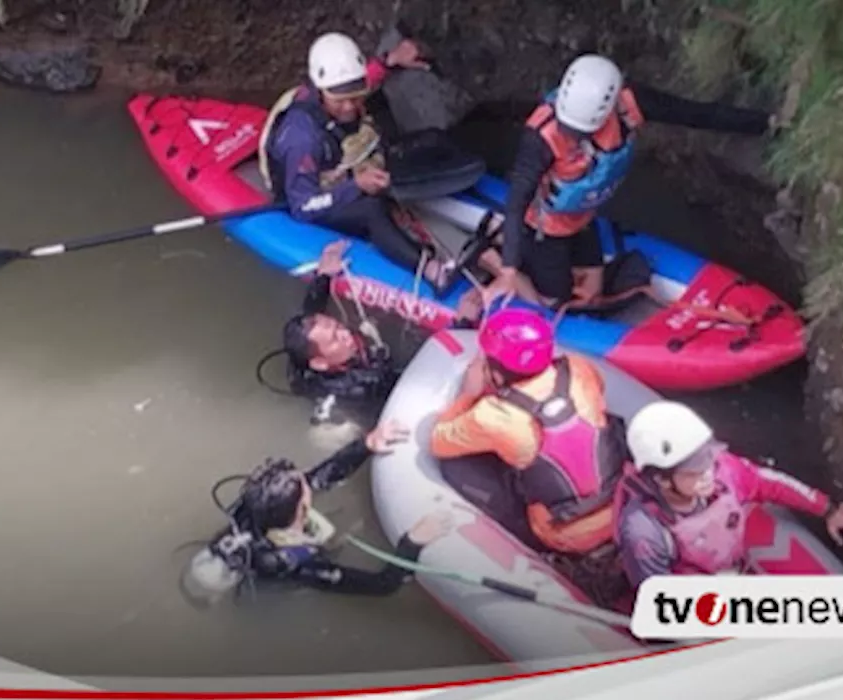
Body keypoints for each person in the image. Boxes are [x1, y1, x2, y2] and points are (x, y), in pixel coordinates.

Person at [483, 54, 777, 311]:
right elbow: (517, 201)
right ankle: (493, 258)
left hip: (583, 218)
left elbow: (695, 113)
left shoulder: (630, 105)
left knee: (591, 292)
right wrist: (508, 270)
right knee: (551, 302)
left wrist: (765, 123)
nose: (569, 135)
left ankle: (518, 259)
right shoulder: (541, 138)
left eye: (578, 131)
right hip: (543, 229)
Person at [260, 32, 479, 293]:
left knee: (432, 139)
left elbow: (366, 79)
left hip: (347, 167)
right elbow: (302, 205)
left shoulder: (344, 88)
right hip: (315, 195)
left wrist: (392, 60)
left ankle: (476, 205)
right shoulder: (301, 139)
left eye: (356, 96)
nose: (350, 107)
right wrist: (356, 187)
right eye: (340, 100)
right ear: (321, 91)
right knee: (371, 209)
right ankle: (430, 269)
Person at [428, 308, 628, 562]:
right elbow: (599, 391)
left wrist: (469, 393)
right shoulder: (579, 369)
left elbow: (438, 441)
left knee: (456, 466)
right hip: (620, 500)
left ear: (497, 374)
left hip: (561, 533)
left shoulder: (493, 415)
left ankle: (537, 551)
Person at [615, 400, 843, 587]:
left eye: (708, 460)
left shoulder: (721, 470)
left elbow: (771, 483)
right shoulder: (643, 530)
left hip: (732, 569)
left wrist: (829, 509)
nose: (708, 473)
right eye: (693, 470)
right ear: (662, 479)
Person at [192, 418, 454, 598]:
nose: (309, 482)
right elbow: (382, 586)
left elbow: (320, 477)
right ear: (302, 509)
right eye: (304, 487)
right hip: (272, 580)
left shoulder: (256, 507)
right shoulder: (297, 566)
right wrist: (412, 542)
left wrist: (366, 444)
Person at [281, 238, 484, 423]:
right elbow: (423, 373)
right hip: (369, 408)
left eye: (336, 326)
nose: (344, 333)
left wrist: (323, 276)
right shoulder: (365, 385)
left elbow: (311, 313)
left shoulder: (307, 354)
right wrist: (461, 323)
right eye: (335, 339)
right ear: (320, 363)